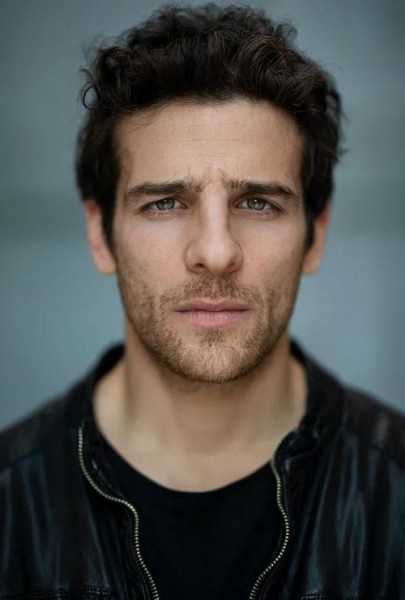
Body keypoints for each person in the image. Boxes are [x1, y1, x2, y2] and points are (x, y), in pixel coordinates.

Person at [1, 4, 404, 598]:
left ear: (315, 235)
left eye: (258, 203)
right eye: (164, 203)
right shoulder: (11, 502)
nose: (216, 253)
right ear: (100, 233)